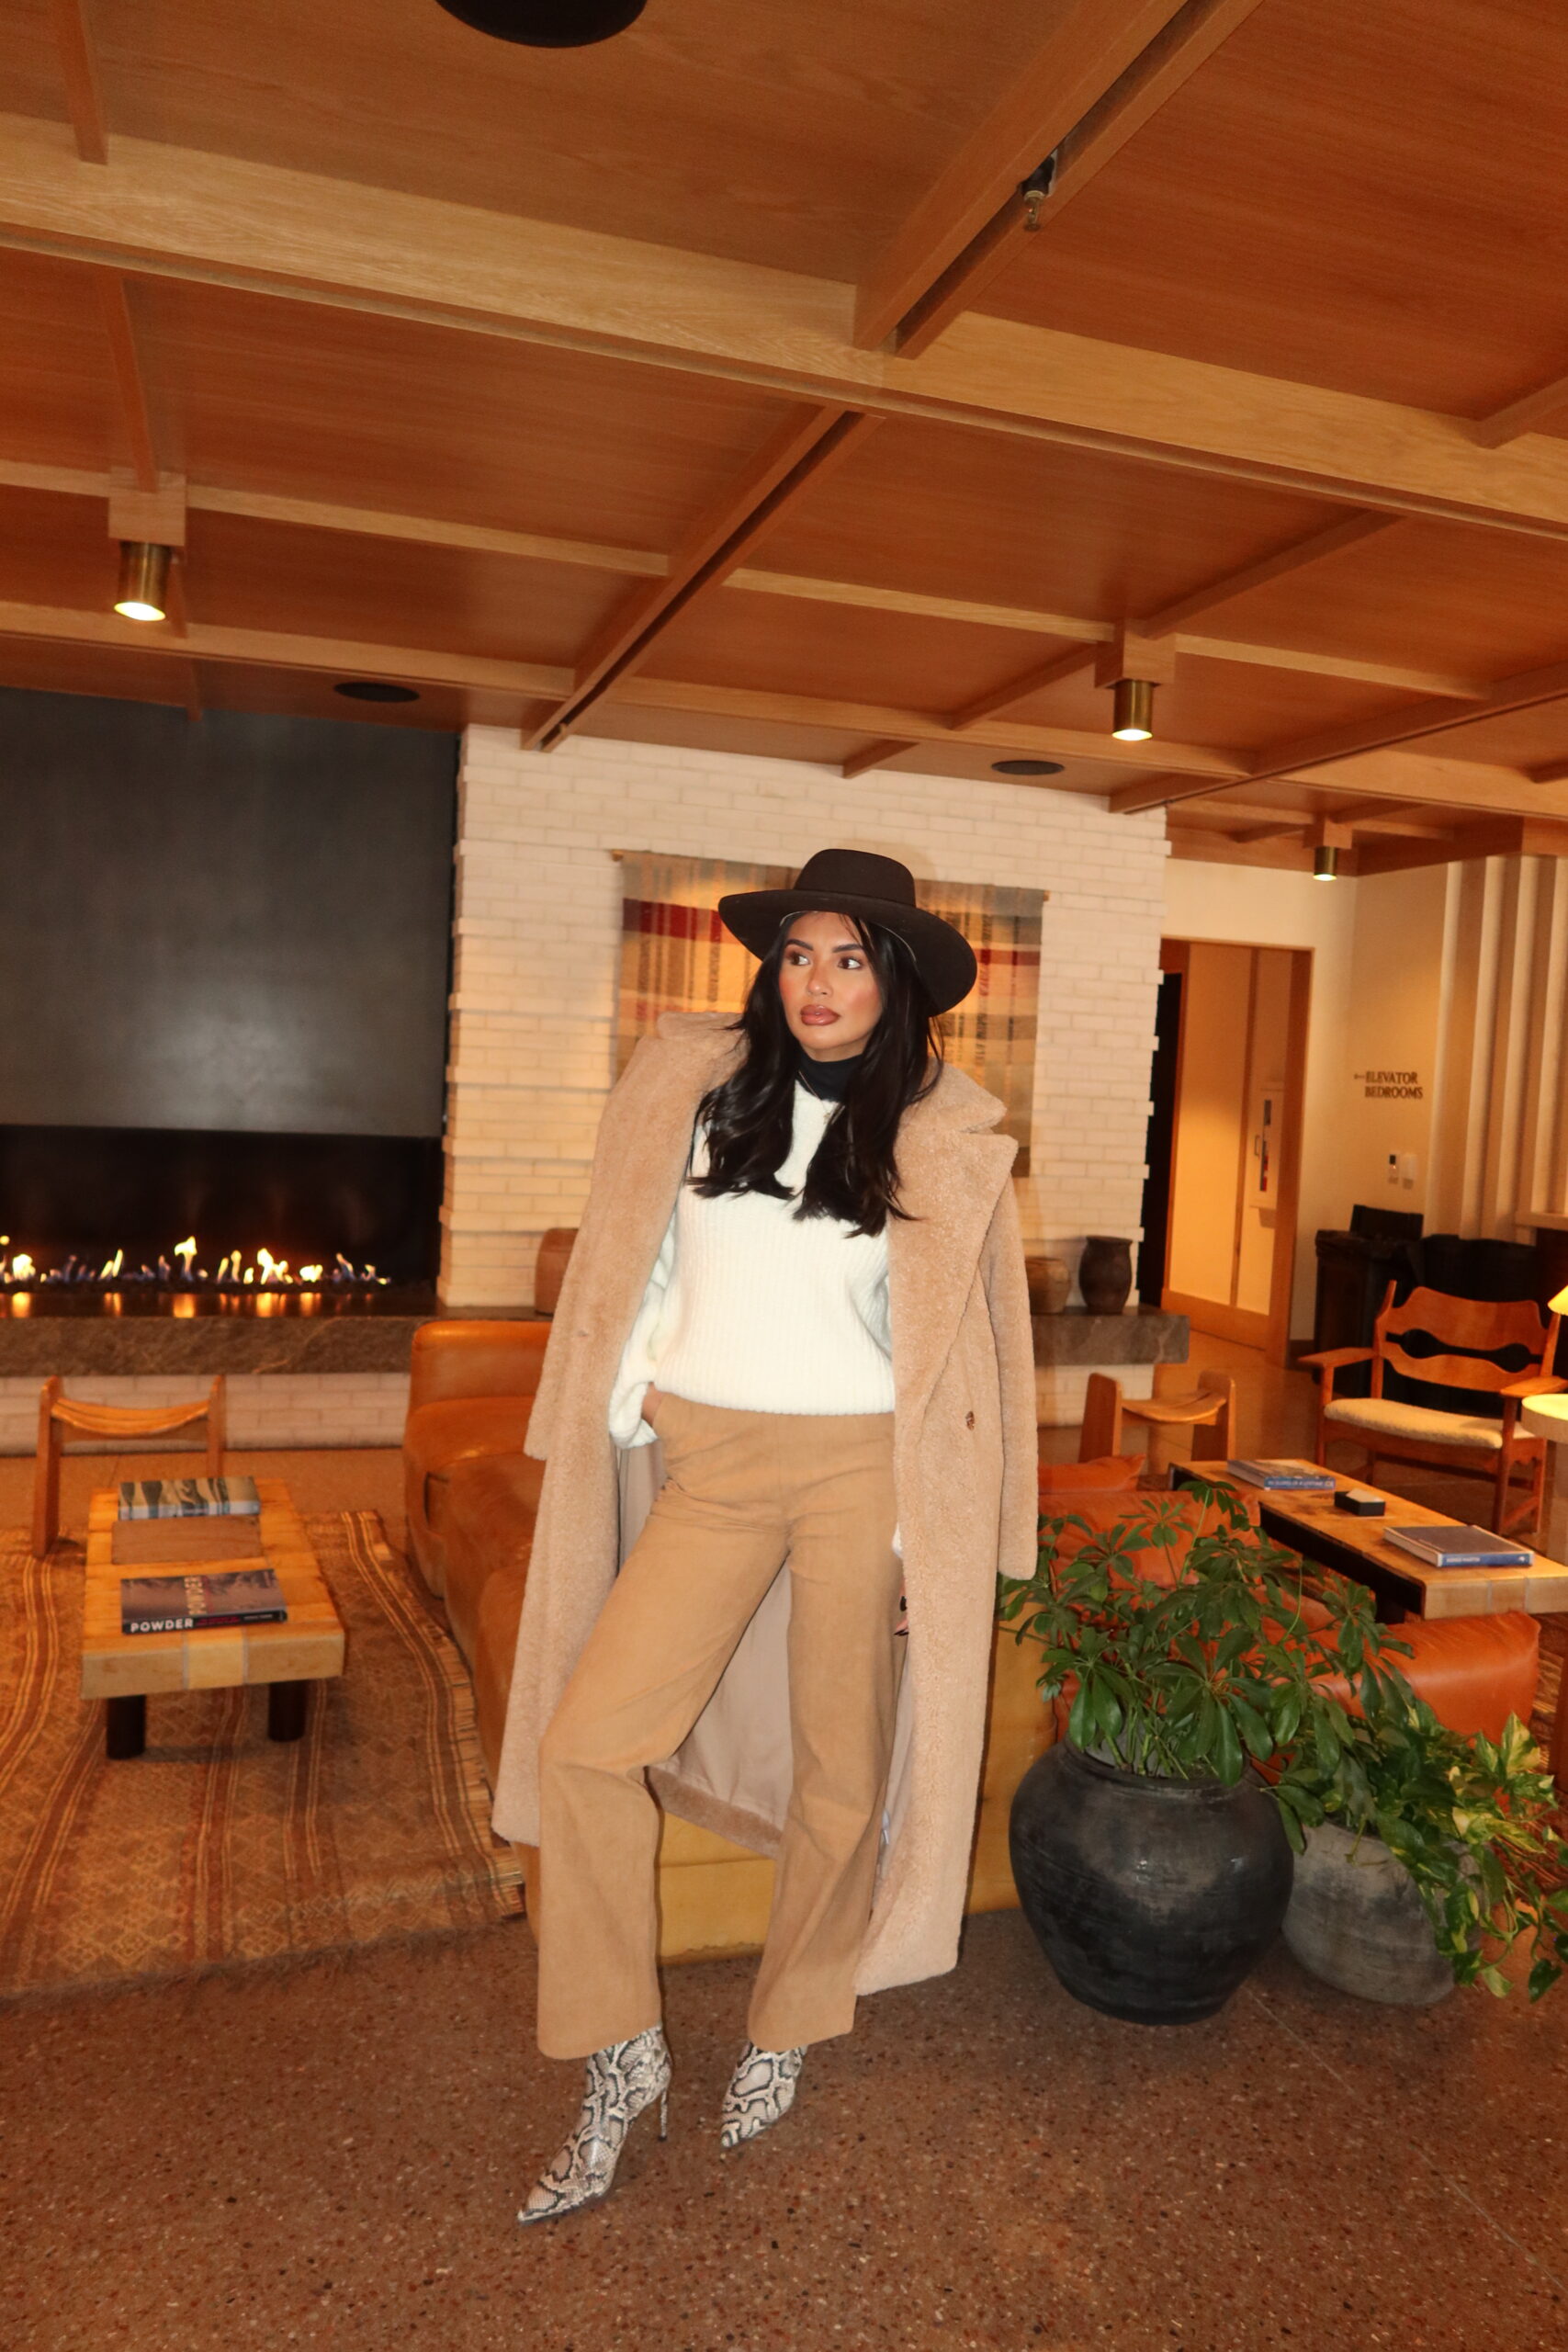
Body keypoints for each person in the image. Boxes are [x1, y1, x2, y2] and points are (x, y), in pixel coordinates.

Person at [490, 847, 1037, 2223]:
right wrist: (636, 1399)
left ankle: (789, 2019)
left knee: (840, 1771)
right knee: (583, 1745)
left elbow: (975, 1359)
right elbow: (634, 1266)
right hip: (713, 1464)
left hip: (860, 1475)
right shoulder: (694, 1090)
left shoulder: (942, 1138)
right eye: (799, 955)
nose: (817, 984)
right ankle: (620, 2054)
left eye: (849, 959)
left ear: (895, 982)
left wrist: (935, 1540)